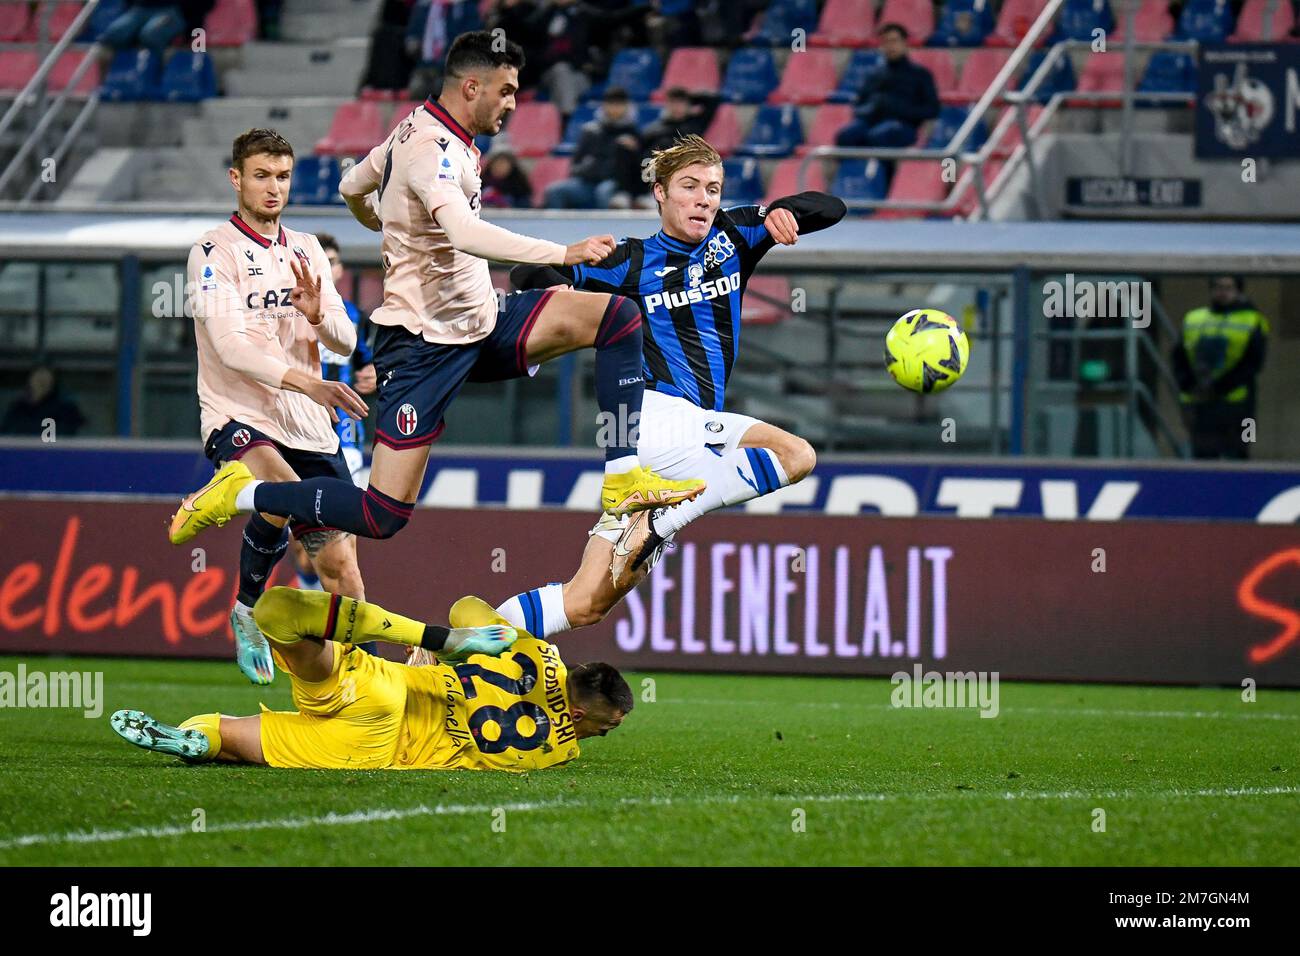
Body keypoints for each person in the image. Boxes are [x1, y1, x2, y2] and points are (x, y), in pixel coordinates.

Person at [168, 32, 705, 554]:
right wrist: (563, 253)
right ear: (472, 87)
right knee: (382, 516)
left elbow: (350, 184)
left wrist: (382, 222)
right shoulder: (432, 148)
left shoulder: (413, 129)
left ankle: (622, 475)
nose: (514, 104)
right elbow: (466, 235)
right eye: (507, 90)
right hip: (422, 346)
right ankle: (243, 494)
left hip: (483, 321)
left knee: (618, 318)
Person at [497, 135, 846, 637]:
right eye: (689, 186)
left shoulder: (736, 234)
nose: (704, 198)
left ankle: (452, 649)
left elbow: (830, 208)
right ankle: (661, 522)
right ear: (659, 193)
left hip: (675, 441)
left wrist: (785, 211)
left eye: (712, 188)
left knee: (584, 603)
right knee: (796, 456)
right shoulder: (628, 260)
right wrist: (552, 284)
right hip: (657, 416)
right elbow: (526, 271)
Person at [184, 127, 371, 686]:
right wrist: (307, 383)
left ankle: (351, 689)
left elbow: (343, 338)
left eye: (283, 177)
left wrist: (317, 315)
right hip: (238, 415)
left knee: (344, 575)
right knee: (280, 484)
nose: (273, 188)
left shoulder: (308, 248)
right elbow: (229, 347)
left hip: (311, 428)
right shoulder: (212, 252)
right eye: (261, 176)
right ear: (236, 178)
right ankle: (246, 609)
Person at [109, 588, 631, 772]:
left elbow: (466, 607)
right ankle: (198, 738)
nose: (598, 737)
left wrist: (507, 638)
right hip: (376, 749)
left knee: (288, 622)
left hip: (383, 684)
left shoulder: (535, 652)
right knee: (230, 738)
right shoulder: (560, 753)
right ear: (581, 715)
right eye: (604, 729)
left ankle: (275, 623)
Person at [1172, 275, 1269, 460]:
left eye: (1228, 287)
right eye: (1217, 287)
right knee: (1202, 455)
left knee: (1239, 453)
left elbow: (1253, 363)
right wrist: (1187, 384)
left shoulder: (1253, 320)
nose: (1222, 292)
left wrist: (1219, 388)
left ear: (1238, 291)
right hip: (1198, 401)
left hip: (1237, 402)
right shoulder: (1194, 317)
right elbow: (1179, 356)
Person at [834, 23, 940, 150]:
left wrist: (900, 109)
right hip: (871, 123)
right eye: (885, 42)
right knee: (846, 136)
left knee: (880, 135)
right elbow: (858, 107)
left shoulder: (920, 74)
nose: (890, 46)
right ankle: (853, 170)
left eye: (894, 41)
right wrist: (873, 108)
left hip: (903, 126)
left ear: (905, 43)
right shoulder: (874, 74)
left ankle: (880, 169)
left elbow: (932, 109)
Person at [544, 87, 646, 209]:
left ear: (627, 106)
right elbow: (576, 162)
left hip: (614, 183)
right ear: (604, 105)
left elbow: (638, 168)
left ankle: (606, 228)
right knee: (555, 191)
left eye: (619, 104)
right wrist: (586, 169)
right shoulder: (590, 131)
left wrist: (634, 151)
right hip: (587, 181)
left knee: (603, 192)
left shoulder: (633, 133)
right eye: (611, 104)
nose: (615, 108)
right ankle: (557, 227)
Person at [100, 0, 215, 55]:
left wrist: (191, 22)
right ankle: (121, 77)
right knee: (115, 34)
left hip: (170, 11)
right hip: (139, 10)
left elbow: (205, 5)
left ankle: (150, 76)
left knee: (151, 34)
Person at [1, 365, 87, 437]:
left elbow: (74, 433)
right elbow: (7, 433)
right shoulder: (18, 408)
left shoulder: (66, 408)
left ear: (53, 382)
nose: (41, 384)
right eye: (38, 380)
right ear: (30, 381)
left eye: (45, 381)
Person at [641, 86, 715, 155]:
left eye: (681, 103)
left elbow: (712, 100)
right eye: (673, 103)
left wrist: (690, 97)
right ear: (667, 105)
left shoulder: (696, 123)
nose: (676, 107)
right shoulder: (656, 128)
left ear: (688, 105)